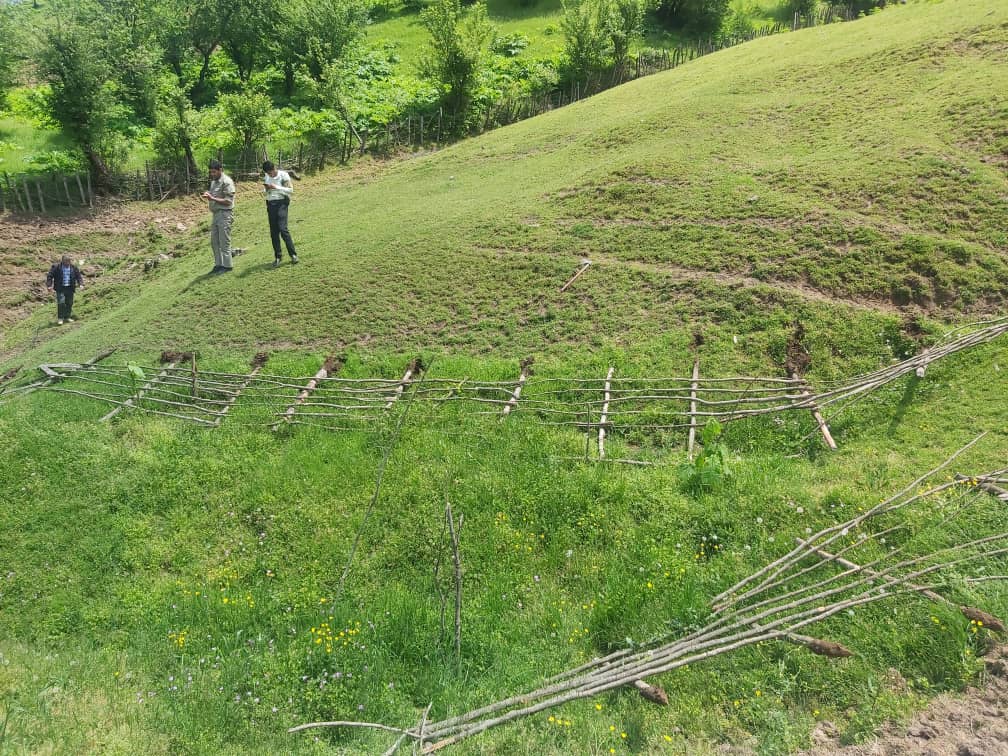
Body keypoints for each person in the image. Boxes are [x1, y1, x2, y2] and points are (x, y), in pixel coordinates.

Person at [262, 160, 299, 267]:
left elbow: (290, 190)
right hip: (270, 203)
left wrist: (276, 187)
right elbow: (266, 190)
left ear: (274, 168)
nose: (270, 175)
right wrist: (265, 189)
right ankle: (278, 256)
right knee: (274, 232)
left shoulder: (283, 175)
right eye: (268, 173)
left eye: (271, 172)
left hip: (281, 203)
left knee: (283, 229)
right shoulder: (267, 176)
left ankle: (293, 255)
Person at [201, 159, 236, 274]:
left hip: (225, 214)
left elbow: (228, 202)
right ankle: (218, 265)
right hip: (215, 215)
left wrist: (212, 198)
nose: (212, 174)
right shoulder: (213, 182)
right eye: (210, 172)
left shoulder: (227, 181)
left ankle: (227, 266)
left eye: (214, 172)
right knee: (214, 241)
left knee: (224, 241)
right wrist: (208, 195)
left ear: (220, 170)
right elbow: (213, 194)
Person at [45, 255, 84, 325]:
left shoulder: (73, 267)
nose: (67, 263)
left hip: (70, 288)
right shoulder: (56, 267)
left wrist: (80, 284)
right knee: (61, 302)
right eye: (66, 261)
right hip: (60, 288)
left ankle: (67, 317)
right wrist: (49, 285)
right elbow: (50, 276)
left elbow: (78, 276)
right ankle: (60, 318)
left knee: (69, 303)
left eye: (69, 261)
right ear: (62, 261)